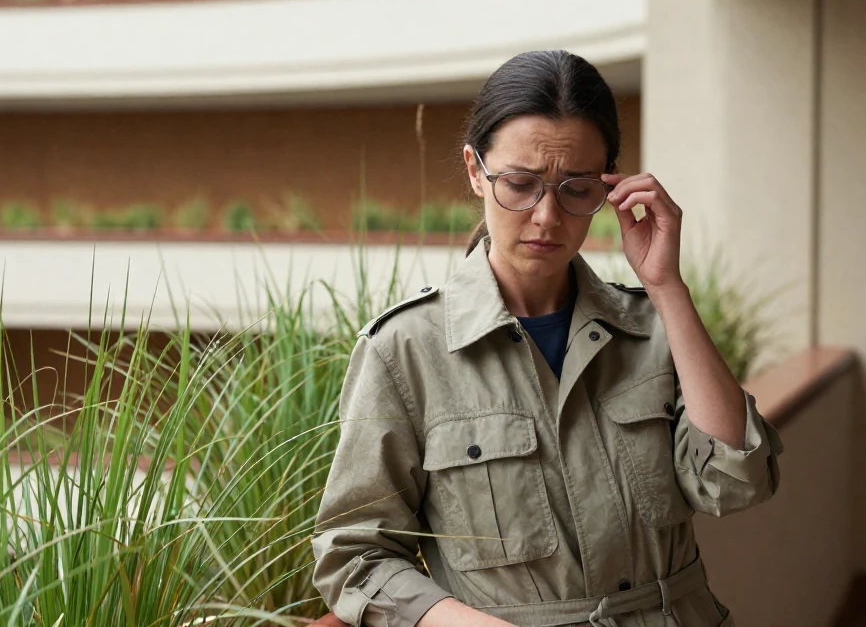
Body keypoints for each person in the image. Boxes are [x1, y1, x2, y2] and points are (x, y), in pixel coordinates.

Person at [311, 50, 782, 627]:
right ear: (474, 170)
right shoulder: (404, 350)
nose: (546, 216)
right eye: (520, 183)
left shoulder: (652, 327)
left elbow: (734, 482)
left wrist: (666, 287)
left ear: (610, 186)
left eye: (576, 188)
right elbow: (355, 556)